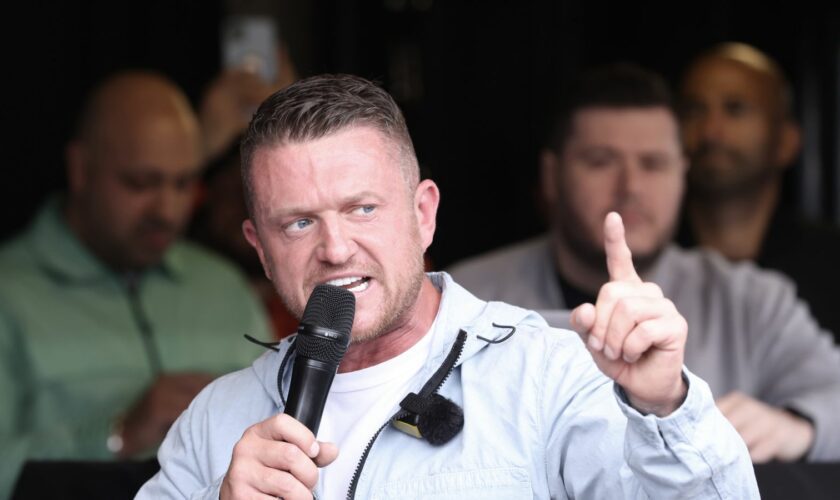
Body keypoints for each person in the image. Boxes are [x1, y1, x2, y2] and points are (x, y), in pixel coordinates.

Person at [137, 74, 756, 499]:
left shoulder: (548, 377)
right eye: (298, 222)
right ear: (260, 249)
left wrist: (664, 404)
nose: (334, 248)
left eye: (362, 209)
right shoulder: (215, 420)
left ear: (424, 214)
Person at [448, 63, 840, 464]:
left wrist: (798, 426)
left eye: (653, 163)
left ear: (683, 174)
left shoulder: (750, 300)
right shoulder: (465, 298)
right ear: (552, 175)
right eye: (601, 161)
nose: (630, 187)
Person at [0, 71, 270, 497]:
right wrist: (118, 433)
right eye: (141, 184)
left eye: (183, 183)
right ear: (80, 170)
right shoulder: (9, 294)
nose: (166, 209)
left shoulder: (226, 289)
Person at [678, 42, 840, 338]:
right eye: (694, 110)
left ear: (786, 141)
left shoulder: (833, 267)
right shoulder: (644, 260)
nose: (710, 131)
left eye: (735, 109)